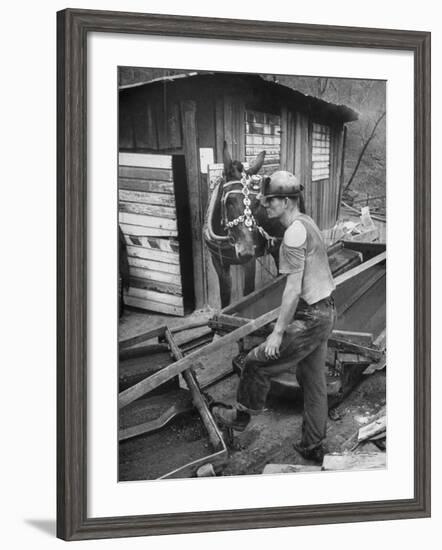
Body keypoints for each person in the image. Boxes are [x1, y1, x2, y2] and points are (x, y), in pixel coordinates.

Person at [212, 171, 337, 463]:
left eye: (270, 201)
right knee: (314, 381)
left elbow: (293, 288)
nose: (264, 206)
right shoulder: (306, 222)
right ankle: (312, 445)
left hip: (310, 317)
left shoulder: (294, 232)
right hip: (326, 311)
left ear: (286, 200)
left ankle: (240, 417)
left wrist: (278, 331)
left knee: (255, 362)